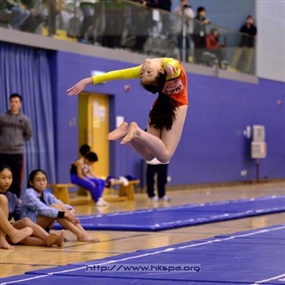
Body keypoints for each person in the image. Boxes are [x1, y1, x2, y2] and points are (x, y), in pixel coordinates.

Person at [67, 57, 188, 164]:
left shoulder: (169, 68)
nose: (144, 68)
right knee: (165, 156)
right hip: (171, 105)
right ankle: (137, 132)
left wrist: (88, 80)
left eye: (145, 72)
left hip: (167, 106)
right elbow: (115, 74)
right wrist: (88, 80)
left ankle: (126, 131)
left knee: (149, 155)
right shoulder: (169, 69)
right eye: (144, 72)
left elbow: (170, 62)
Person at [22, 169, 100, 242]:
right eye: (38, 180)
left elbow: (59, 203)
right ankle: (80, 234)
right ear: (31, 182)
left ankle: (83, 233)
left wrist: (70, 210)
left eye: (44, 180)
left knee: (57, 205)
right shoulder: (29, 193)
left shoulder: (45, 193)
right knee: (54, 207)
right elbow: (43, 209)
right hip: (31, 227)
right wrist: (64, 214)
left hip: (43, 226)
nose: (42, 183)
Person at [0, 165, 65, 250]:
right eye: (3, 178)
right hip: (5, 231)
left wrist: (30, 227)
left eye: (10, 177)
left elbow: (20, 217)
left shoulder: (12, 197)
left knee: (25, 222)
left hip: (6, 230)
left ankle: (49, 239)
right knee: (3, 198)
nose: (7, 181)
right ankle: (6, 237)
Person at [0, 93, 32, 198]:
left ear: (20, 104)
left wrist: (19, 142)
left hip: (17, 153)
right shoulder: (2, 118)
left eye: (16, 102)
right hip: (3, 152)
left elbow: (29, 134)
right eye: (12, 102)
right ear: (9, 103)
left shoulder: (24, 119)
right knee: (3, 177)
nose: (14, 104)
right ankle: (2, 198)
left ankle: (14, 201)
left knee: (16, 178)